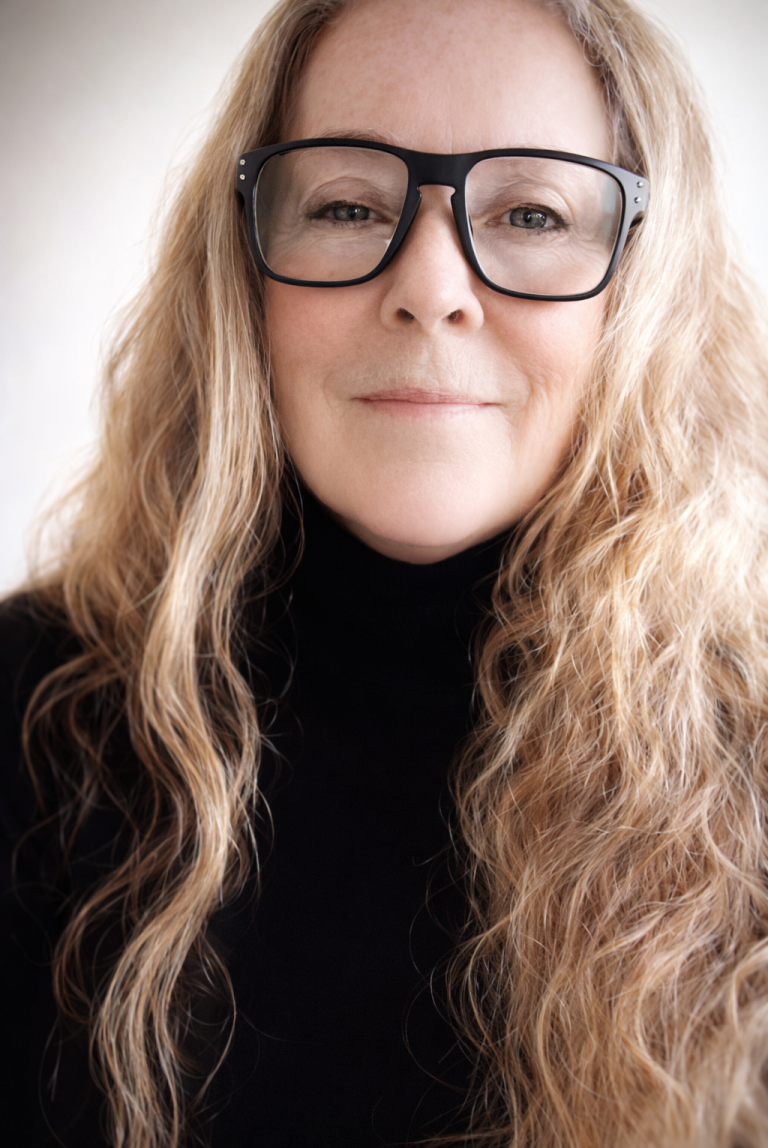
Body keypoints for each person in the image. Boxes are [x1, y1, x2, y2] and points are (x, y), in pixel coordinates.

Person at [2, 0, 768, 1145]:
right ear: (242, 269)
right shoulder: (26, 713)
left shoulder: (752, 757)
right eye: (349, 204)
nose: (430, 285)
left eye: (531, 211)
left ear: (643, 289)